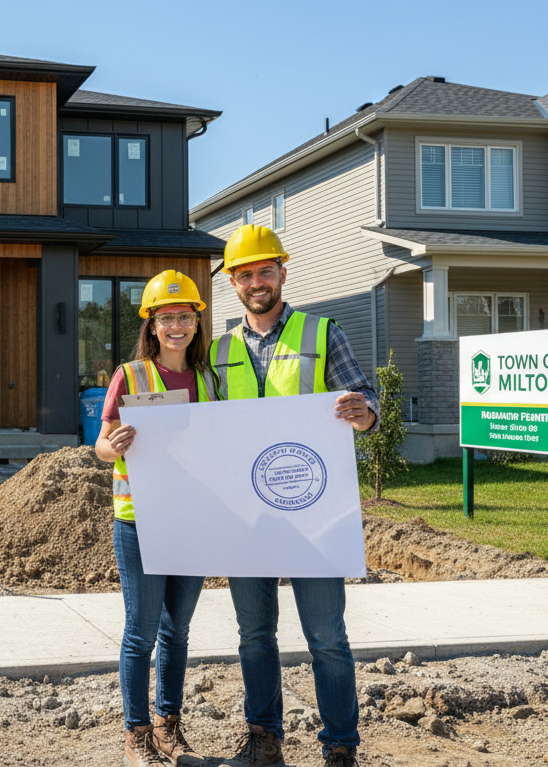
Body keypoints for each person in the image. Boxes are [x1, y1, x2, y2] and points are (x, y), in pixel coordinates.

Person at [212, 225, 379, 767]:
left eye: (265, 271)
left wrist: (364, 413)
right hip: (246, 518)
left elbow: (367, 400)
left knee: (327, 636)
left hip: (314, 512)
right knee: (254, 635)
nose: (256, 282)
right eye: (245, 275)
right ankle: (264, 744)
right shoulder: (217, 350)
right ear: (232, 283)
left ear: (283, 271)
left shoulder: (321, 332)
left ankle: (340, 749)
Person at [95, 269, 218, 767]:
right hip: (139, 519)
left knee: (177, 632)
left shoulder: (208, 378)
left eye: (184, 317)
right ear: (151, 324)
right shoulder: (131, 374)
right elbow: (101, 445)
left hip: (191, 519)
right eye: (166, 318)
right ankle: (136, 735)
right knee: (140, 632)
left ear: (196, 323)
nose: (176, 326)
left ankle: (170, 728)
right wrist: (114, 445)